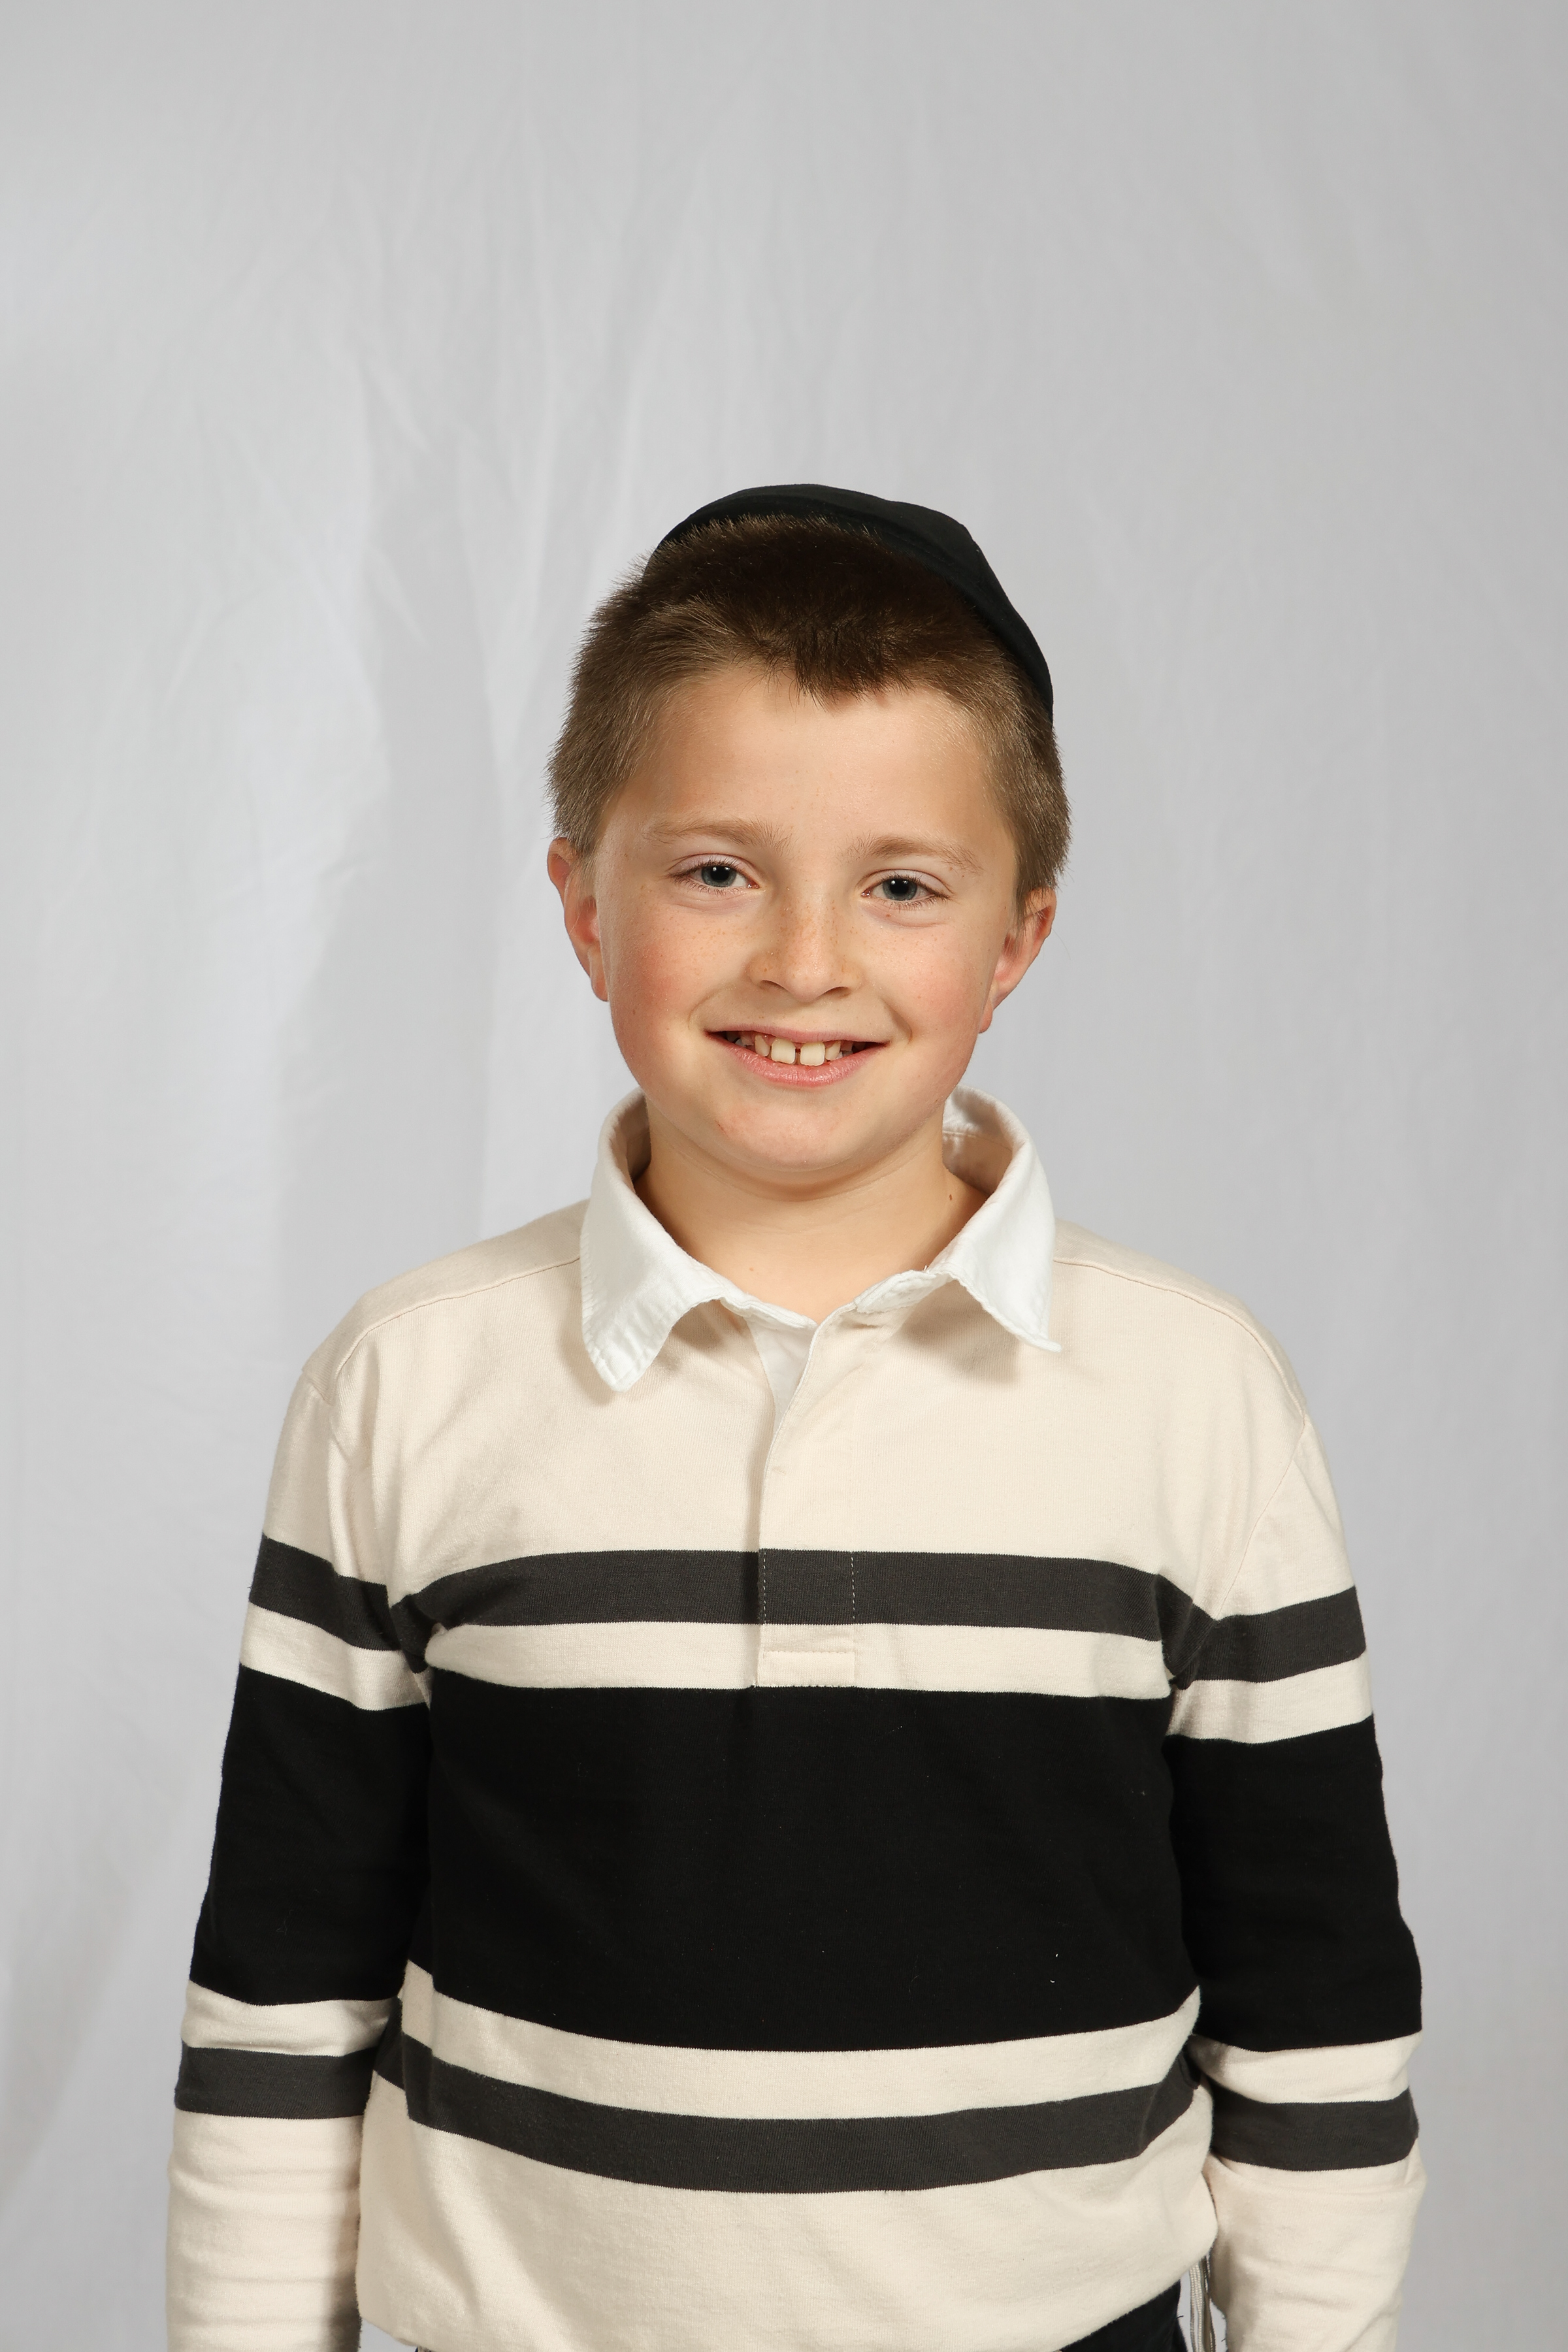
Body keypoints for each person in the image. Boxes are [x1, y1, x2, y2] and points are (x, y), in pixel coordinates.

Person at [167, 485, 1424, 2352]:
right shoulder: (411, 1380)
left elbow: (1312, 2008)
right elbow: (285, 2002)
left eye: (902, 886)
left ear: (1018, 937)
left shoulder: (1192, 1392)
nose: (805, 960)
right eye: (716, 872)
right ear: (583, 904)